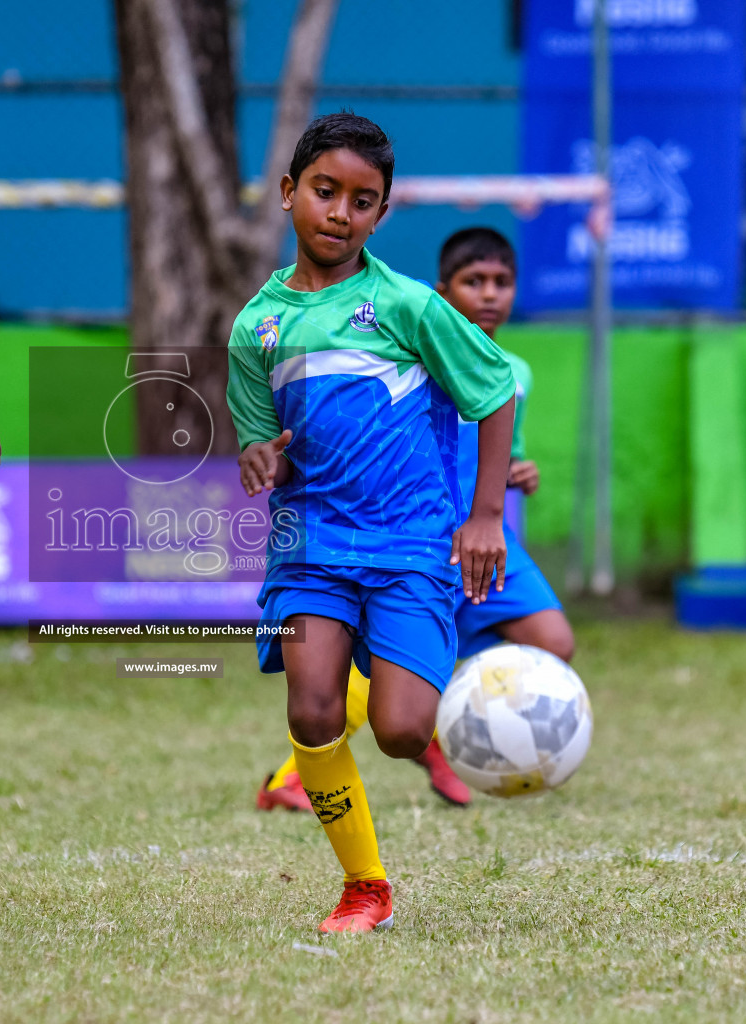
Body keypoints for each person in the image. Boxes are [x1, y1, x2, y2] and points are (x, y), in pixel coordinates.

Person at [227, 113, 517, 935]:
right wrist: (258, 459)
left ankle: (413, 676)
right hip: (310, 545)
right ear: (289, 193)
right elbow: (259, 441)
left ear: (381, 215)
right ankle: (365, 890)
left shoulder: (406, 305)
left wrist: (485, 515)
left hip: (411, 544)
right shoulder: (256, 327)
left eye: (363, 200)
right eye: (325, 191)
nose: (340, 212)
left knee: (399, 731)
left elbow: (494, 391)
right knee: (312, 712)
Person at [255, 226, 576, 814]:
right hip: (422, 533)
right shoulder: (411, 345)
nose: (489, 295)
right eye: (474, 282)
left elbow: (500, 436)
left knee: (552, 640)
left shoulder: (516, 372)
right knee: (384, 669)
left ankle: (468, 740)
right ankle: (295, 774)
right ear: (442, 291)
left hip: (489, 533)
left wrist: (516, 473)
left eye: (502, 283)